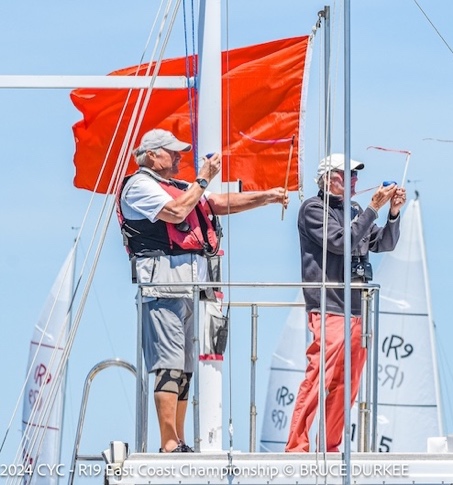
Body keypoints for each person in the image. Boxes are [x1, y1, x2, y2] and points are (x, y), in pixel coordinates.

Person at [117, 128, 288, 453]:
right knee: (168, 363)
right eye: (173, 152)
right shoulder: (139, 186)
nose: (180, 157)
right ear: (152, 155)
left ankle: (178, 439)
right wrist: (204, 178)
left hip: (191, 285)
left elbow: (217, 203)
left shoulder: (181, 186)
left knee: (184, 366)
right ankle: (169, 442)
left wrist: (266, 196)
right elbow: (177, 211)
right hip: (162, 284)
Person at [285, 153, 406, 453]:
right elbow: (340, 242)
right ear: (327, 178)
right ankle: (297, 446)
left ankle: (330, 445)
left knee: (346, 385)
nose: (354, 180)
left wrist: (392, 213)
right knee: (318, 377)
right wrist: (373, 209)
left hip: (356, 309)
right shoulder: (313, 209)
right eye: (347, 174)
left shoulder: (353, 209)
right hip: (329, 306)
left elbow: (383, 243)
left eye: (354, 175)